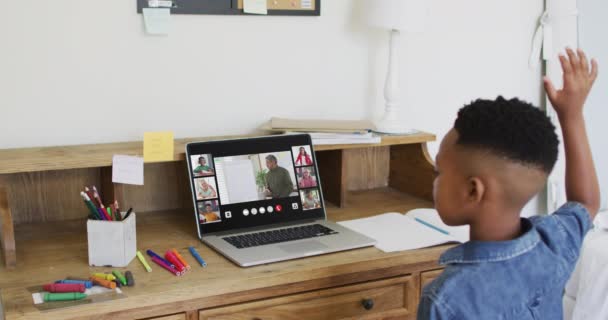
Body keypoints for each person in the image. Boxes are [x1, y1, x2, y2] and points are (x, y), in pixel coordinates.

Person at [418, 48, 600, 319]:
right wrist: (571, 114)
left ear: (473, 190)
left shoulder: (446, 298)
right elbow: (586, 203)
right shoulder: (553, 242)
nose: (433, 182)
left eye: (438, 172)